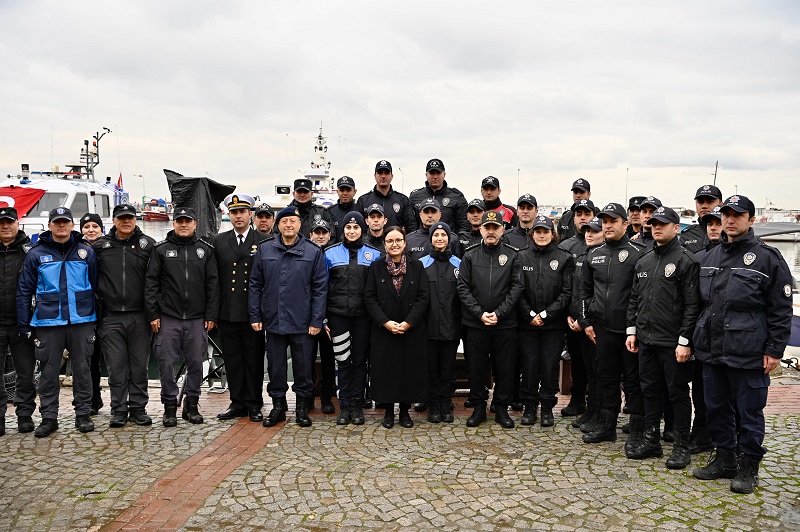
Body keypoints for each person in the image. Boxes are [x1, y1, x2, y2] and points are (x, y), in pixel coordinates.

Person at [692, 195, 793, 494]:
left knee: (749, 412)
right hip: (712, 350)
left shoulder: (768, 258)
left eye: (738, 215)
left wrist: (775, 349)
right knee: (716, 407)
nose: (730, 220)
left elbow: (780, 308)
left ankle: (749, 465)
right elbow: (701, 305)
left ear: (750, 219)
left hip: (749, 351)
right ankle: (725, 458)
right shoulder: (709, 257)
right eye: (726, 215)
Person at [625, 206, 701, 470]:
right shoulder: (644, 260)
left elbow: (693, 306)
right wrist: (632, 330)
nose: (656, 227)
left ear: (676, 228)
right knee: (650, 391)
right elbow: (635, 298)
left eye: (663, 223)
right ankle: (651, 439)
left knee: (678, 393)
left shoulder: (686, 261)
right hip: (646, 340)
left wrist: (685, 341)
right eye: (654, 223)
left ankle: (682, 445)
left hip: (673, 343)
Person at [17, 207, 99, 437]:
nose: (61, 226)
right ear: (50, 226)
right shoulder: (35, 254)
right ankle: (49, 417)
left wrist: (97, 320)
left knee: (82, 370)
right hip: (48, 321)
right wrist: (25, 324)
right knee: (48, 372)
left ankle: (83, 414)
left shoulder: (86, 252)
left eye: (65, 222)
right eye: (57, 222)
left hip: (82, 320)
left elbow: (96, 286)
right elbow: (25, 290)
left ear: (72, 225)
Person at [249, 206, 328, 428]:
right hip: (273, 320)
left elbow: (320, 288)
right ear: (278, 225)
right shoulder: (265, 250)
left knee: (303, 368)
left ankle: (302, 409)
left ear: (299, 224)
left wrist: (316, 320)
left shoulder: (313, 251)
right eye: (284, 222)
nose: (289, 225)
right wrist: (255, 315)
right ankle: (278, 407)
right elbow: (255, 284)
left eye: (293, 221)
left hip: (303, 322)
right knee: (275, 367)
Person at [579, 203, 647, 455]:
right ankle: (607, 425)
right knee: (606, 378)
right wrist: (587, 322)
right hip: (602, 329)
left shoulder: (637, 254)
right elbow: (584, 292)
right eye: (604, 221)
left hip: (629, 331)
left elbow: (642, 295)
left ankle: (638, 430)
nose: (607, 225)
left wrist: (636, 327)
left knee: (633, 381)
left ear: (625, 224)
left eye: (613, 221)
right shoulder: (594, 254)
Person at [145, 207, 219, 427]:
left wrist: (211, 314)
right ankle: (169, 407)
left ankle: (191, 405)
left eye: (188, 221)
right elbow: (151, 284)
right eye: (180, 221)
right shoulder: (160, 250)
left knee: (196, 363)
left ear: (195, 224)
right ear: (174, 223)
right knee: (166, 364)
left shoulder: (205, 250)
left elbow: (212, 285)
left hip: (197, 318)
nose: (184, 224)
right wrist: (153, 313)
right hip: (168, 317)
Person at [457, 211, 523, 428]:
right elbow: (463, 287)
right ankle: (478, 408)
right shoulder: (470, 255)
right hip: (476, 323)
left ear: (502, 230)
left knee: (504, 368)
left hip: (504, 323)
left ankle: (501, 408)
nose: (491, 231)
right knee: (476, 367)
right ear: (481, 229)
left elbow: (516, 287)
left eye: (496, 227)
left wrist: (499, 313)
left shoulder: (513, 255)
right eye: (488, 227)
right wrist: (479, 313)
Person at [93, 204, 156, 428]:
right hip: (110, 318)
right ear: (114, 220)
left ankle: (138, 408)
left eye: (130, 217)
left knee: (140, 366)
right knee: (116, 368)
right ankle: (118, 409)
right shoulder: (100, 246)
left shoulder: (148, 245)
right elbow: (91, 280)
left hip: (140, 316)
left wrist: (154, 313)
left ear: (135, 219)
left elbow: (156, 280)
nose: (126, 221)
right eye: (122, 218)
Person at [364, 226, 430, 429]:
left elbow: (423, 297)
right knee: (387, 371)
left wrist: (408, 322)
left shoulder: (417, 266)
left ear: (404, 243)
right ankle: (388, 412)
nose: (394, 244)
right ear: (385, 244)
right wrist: (386, 322)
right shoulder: (376, 267)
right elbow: (370, 298)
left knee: (408, 370)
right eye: (390, 241)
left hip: (410, 329)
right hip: (385, 329)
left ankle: (404, 411)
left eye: (398, 240)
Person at [213, 194, 271, 423]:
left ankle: (254, 403)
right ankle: (237, 402)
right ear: (229, 214)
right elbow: (214, 279)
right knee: (233, 359)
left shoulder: (264, 240)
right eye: (234, 212)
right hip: (227, 311)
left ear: (250, 215)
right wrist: (213, 312)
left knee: (254, 359)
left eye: (242, 212)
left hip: (253, 312)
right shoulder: (219, 241)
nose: (238, 216)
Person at [323, 212, 381, 425]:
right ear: (343, 230)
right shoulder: (329, 253)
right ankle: (344, 406)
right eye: (348, 228)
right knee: (342, 361)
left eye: (355, 228)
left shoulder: (373, 254)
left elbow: (377, 289)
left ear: (362, 229)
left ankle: (357, 405)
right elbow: (323, 288)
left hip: (363, 319)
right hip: (338, 317)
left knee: (360, 361)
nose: (352, 231)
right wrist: (324, 319)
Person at [517, 215, 574, 427]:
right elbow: (517, 290)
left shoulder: (564, 258)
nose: (542, 235)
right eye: (538, 232)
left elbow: (566, 292)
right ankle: (530, 406)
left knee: (550, 366)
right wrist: (530, 315)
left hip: (553, 325)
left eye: (546, 232)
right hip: (527, 324)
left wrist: (547, 314)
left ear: (553, 234)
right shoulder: (520, 257)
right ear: (532, 234)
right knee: (529, 366)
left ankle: (548, 407)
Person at [687, 205, 722, 454]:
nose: (713, 227)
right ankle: (700, 433)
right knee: (700, 390)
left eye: (718, 222)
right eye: (710, 222)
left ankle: (731, 441)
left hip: (734, 338)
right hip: (703, 335)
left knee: (730, 394)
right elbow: (690, 302)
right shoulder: (698, 258)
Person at [557, 199, 596, 418]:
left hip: (591, 320)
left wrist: (586, 319)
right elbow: (561, 284)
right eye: (579, 214)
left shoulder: (600, 244)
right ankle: (577, 399)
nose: (583, 217)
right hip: (571, 317)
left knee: (593, 366)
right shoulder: (565, 246)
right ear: (573, 218)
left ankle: (594, 405)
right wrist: (567, 315)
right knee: (576, 363)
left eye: (587, 213)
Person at [420, 222, 461, 424]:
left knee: (448, 369)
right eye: (435, 235)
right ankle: (433, 405)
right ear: (430, 238)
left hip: (451, 327)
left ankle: (446, 404)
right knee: (430, 370)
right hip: (428, 328)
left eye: (443, 234)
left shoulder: (459, 264)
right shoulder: (421, 264)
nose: (439, 238)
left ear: (449, 238)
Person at [0, 207, 35, 435]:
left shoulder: (30, 251)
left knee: (25, 372)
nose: (5, 227)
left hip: (22, 323)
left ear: (17, 223)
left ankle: (24, 415)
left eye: (9, 222)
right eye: (1, 223)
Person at [569, 216, 605, 433]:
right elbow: (576, 292)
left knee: (599, 371)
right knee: (589, 370)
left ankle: (599, 412)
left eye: (595, 231)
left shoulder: (604, 257)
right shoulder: (583, 256)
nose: (589, 234)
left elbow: (597, 296)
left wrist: (585, 321)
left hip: (596, 325)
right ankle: (591, 410)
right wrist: (571, 315)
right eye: (587, 231)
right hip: (579, 323)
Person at [307, 219, 336, 414]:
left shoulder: (334, 255)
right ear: (310, 235)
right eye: (316, 232)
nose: (320, 235)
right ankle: (307, 397)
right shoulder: (306, 253)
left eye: (324, 232)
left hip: (330, 316)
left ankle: (327, 397)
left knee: (328, 359)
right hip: (308, 316)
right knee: (306, 359)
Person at [79, 213, 106, 416]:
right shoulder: (77, 251)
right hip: (87, 312)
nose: (91, 230)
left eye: (95, 226)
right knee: (90, 360)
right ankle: (92, 399)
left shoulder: (107, 249)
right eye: (86, 226)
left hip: (108, 311)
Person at [355, 160, 417, 232]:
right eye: (380, 173)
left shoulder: (402, 200)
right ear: (375, 176)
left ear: (392, 176)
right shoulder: (363, 200)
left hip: (394, 242)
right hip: (370, 243)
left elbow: (412, 228)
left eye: (386, 173)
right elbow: (357, 227)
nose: (383, 176)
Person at [409, 159, 468, 234]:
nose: (435, 177)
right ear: (426, 175)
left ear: (444, 174)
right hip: (421, 242)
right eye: (432, 173)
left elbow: (464, 225)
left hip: (447, 242)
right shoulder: (415, 197)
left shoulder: (456, 196)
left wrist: (454, 241)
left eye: (438, 173)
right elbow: (410, 225)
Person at [681, 185, 723, 253]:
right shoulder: (688, 234)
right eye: (700, 202)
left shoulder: (729, 233)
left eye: (710, 202)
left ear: (721, 204)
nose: (704, 206)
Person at [327, 176, 358, 242]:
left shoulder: (360, 210)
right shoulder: (329, 212)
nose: (345, 193)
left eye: (348, 190)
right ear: (337, 191)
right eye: (342, 190)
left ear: (355, 192)